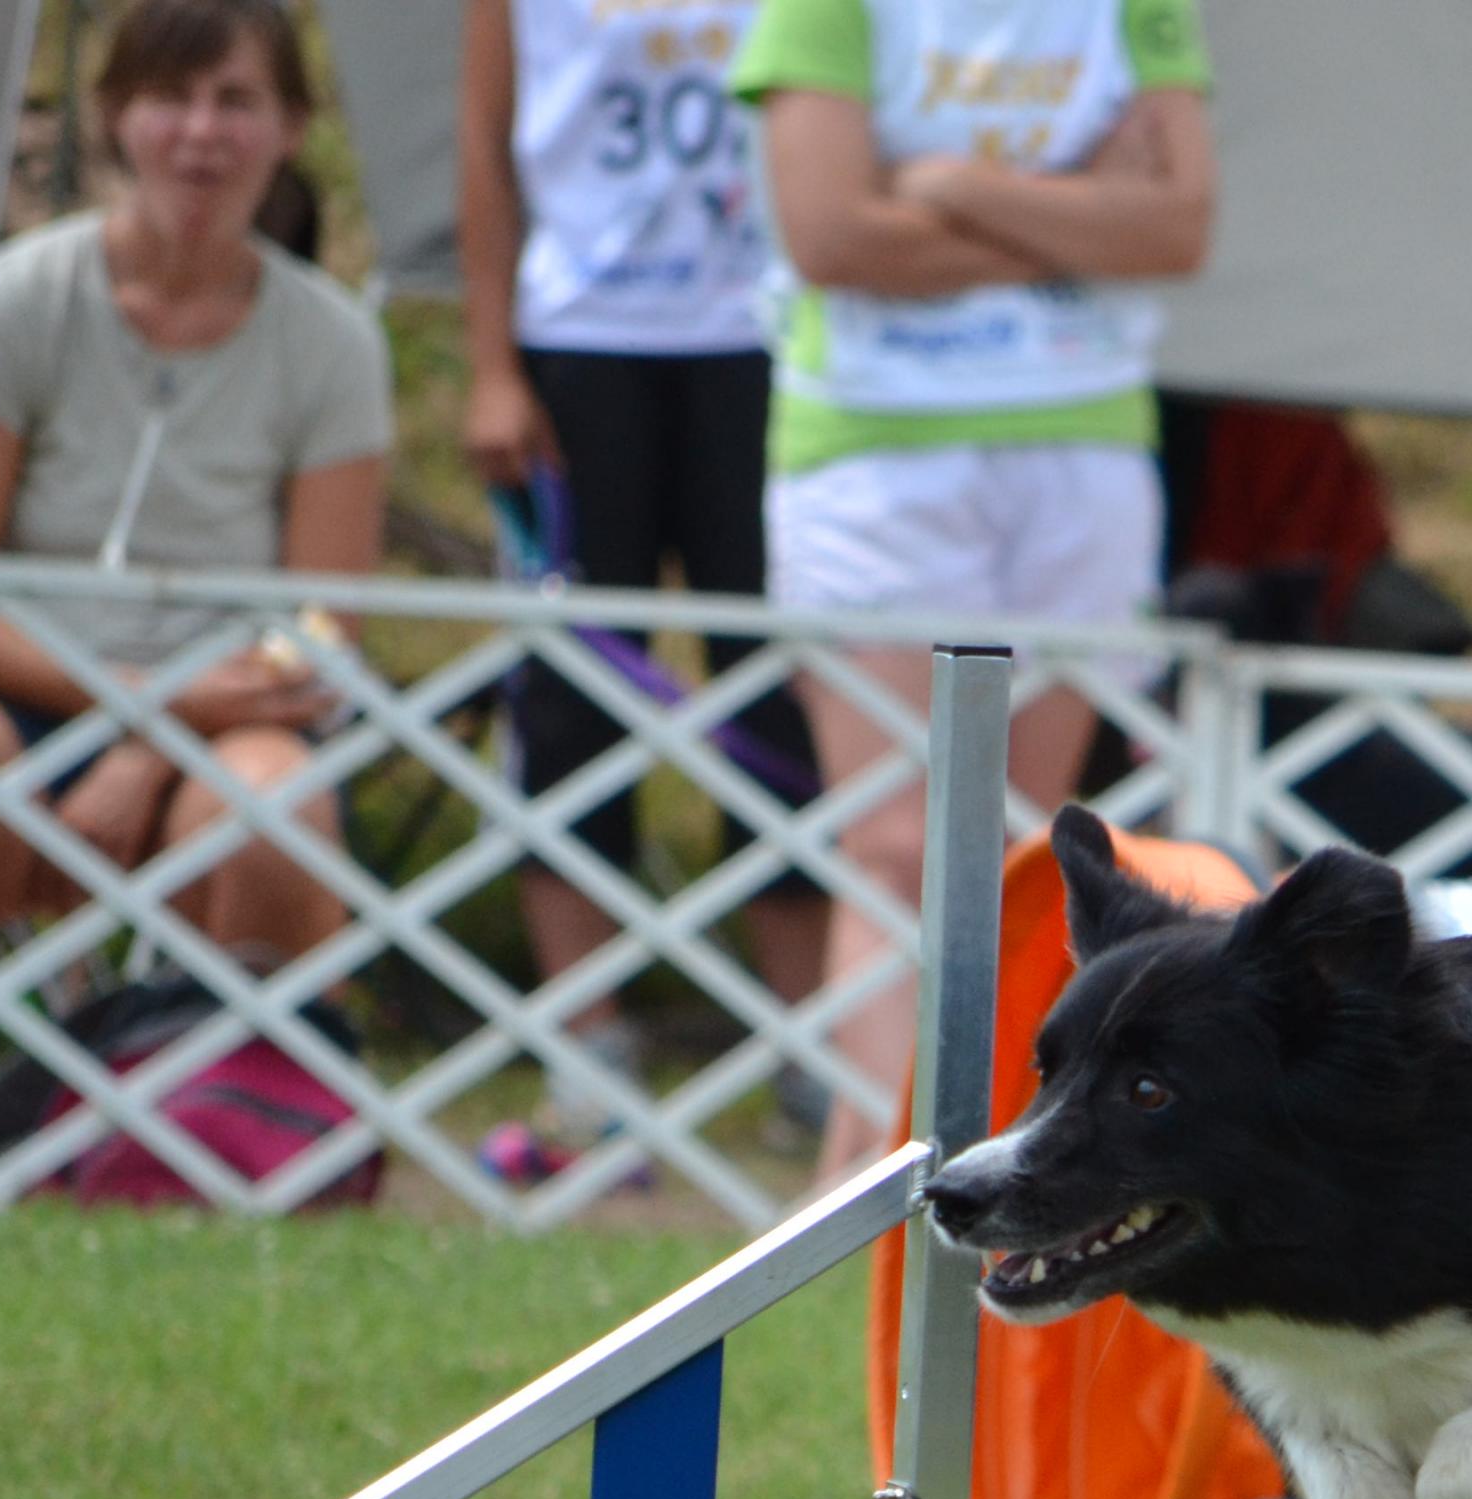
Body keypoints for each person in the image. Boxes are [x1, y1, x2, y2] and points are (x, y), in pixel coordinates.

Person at [731, 0, 1215, 1178]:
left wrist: (951, 185)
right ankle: (874, 1174)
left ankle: (993, 1165)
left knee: (1025, 852)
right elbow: (831, 235)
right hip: (872, 444)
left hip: (1080, 438)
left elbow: (1177, 226)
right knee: (894, 845)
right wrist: (1078, 215)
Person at [0, 0, 386, 1042]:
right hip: (10, 693)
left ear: (290, 127)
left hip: (226, 719)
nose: (202, 133)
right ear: (116, 115)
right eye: (171, 97)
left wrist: (154, 737)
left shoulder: (334, 344)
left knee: (273, 812)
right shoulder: (14, 298)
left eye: (235, 101)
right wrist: (140, 704)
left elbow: (321, 629)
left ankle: (242, 1121)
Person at [457, 0, 826, 1157]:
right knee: (572, 696)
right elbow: (484, 143)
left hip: (763, 341)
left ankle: (811, 1049)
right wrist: (490, 366)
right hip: (581, 340)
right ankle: (587, 1050)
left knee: (782, 693)